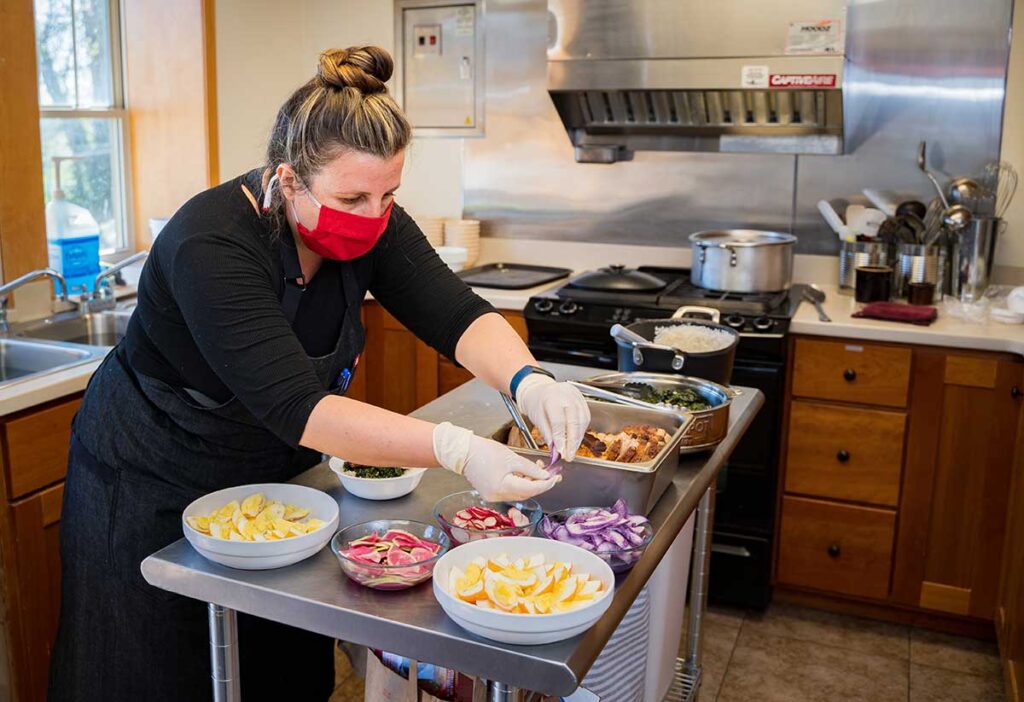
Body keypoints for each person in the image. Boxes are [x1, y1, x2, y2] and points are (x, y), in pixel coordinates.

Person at [48, 46, 590, 701]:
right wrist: (456, 447)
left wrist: (528, 380)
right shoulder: (211, 244)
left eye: (389, 193)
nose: (374, 215)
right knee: (152, 670)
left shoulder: (373, 221)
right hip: (149, 478)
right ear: (287, 180)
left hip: (274, 483)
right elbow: (299, 407)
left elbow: (454, 312)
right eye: (352, 196)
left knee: (283, 663)